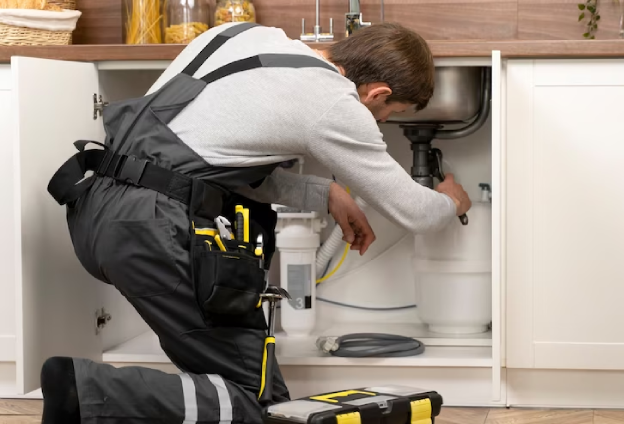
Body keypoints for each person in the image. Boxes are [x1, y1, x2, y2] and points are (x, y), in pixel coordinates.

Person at [43, 21, 471, 424]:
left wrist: (325, 193)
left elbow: (206, 155)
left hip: (96, 209)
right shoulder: (334, 102)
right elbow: (417, 212)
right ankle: (86, 390)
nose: (380, 122)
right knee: (257, 403)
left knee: (236, 389)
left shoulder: (244, 35)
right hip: (154, 230)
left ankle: (92, 395)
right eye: (388, 114)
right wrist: (451, 200)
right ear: (378, 92)